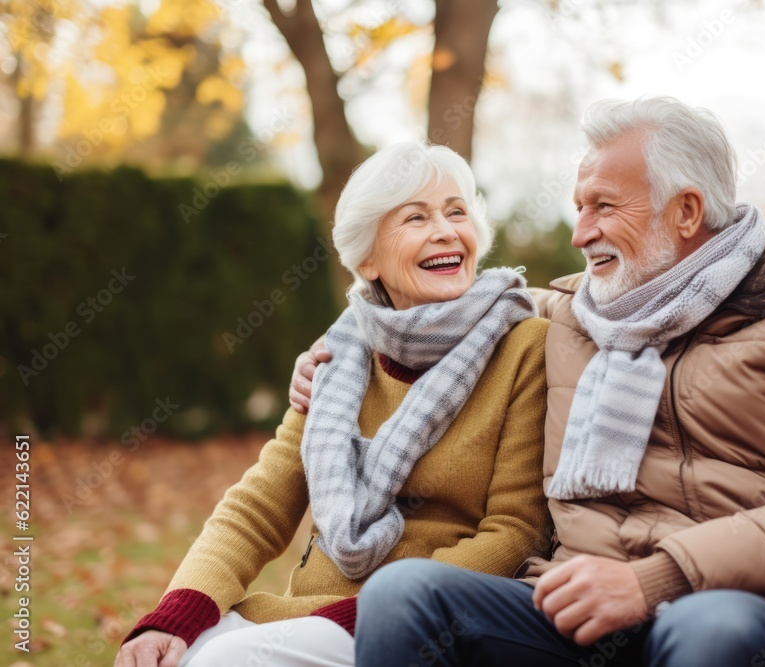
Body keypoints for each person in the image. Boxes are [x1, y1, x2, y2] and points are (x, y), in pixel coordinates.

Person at [290, 96, 765, 667]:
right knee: (405, 595)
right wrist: (339, 352)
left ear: (686, 210)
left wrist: (658, 580)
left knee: (710, 630)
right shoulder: (568, 316)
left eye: (603, 207)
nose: (579, 232)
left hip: (763, 613)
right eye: (578, 208)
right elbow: (435, 308)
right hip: (581, 616)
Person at [114, 142, 551, 667]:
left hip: (424, 623)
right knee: (170, 655)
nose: (445, 230)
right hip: (307, 613)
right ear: (367, 259)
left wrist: (380, 611)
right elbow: (258, 505)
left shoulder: (525, 346)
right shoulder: (339, 353)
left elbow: (514, 532)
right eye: (416, 217)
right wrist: (178, 613)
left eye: (457, 211)